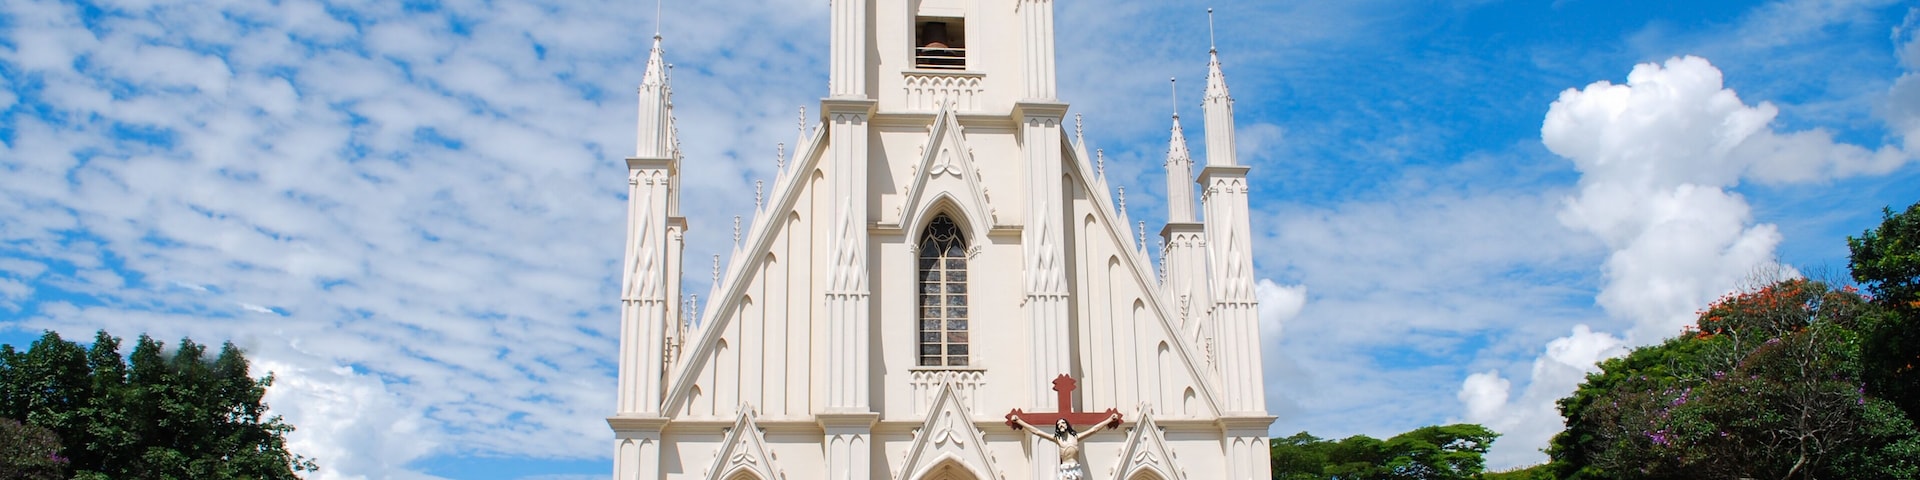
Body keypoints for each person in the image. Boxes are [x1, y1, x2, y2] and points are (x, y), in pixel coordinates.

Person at [1009, 413, 1122, 480]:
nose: (1060, 425)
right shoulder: (1057, 439)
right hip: (1065, 470)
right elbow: (1037, 431)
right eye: (1058, 425)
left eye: (1062, 423)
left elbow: (1094, 429)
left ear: (1067, 425)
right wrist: (1019, 421)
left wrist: (1109, 420)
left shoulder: (1076, 437)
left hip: (1076, 468)